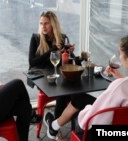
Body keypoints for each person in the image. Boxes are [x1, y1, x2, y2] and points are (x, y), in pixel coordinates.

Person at [29, 11, 96, 140]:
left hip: (59, 74)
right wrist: (52, 51)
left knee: (73, 90)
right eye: (41, 23)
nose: (43, 27)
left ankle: (59, 125)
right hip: (42, 77)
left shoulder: (62, 37)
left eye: (46, 23)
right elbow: (32, 62)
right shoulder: (35, 38)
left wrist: (71, 54)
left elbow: (68, 62)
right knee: (64, 89)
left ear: (53, 24)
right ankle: (56, 126)